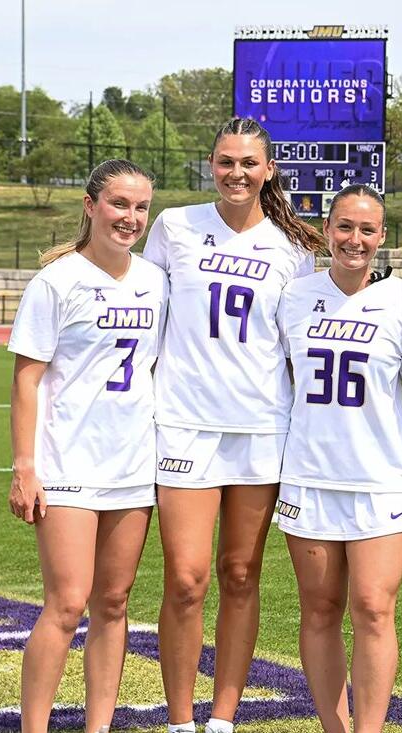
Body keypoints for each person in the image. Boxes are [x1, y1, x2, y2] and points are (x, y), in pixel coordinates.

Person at [141, 117, 323, 733]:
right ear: (210, 165)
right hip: (186, 423)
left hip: (260, 427)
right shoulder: (175, 227)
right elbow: (146, 311)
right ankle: (179, 720)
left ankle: (222, 717)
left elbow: (299, 346)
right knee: (187, 579)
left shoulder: (292, 249)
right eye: (225, 162)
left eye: (249, 163)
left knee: (241, 573)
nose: (237, 173)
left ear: (268, 169)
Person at [7, 159, 165, 733]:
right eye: (119, 204)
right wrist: (25, 467)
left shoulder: (155, 280)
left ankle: (98, 726)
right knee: (67, 603)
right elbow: (26, 379)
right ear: (90, 204)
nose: (130, 217)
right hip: (68, 462)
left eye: (141, 207)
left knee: (115, 603)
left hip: (132, 464)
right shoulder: (56, 281)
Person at [275, 185, 402, 733]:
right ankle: (333, 727)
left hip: (379, 478)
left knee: (372, 609)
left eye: (367, 230)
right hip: (309, 476)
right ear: (326, 229)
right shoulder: (294, 297)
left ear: (381, 236)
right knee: (319, 611)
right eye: (345, 227)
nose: (355, 239)